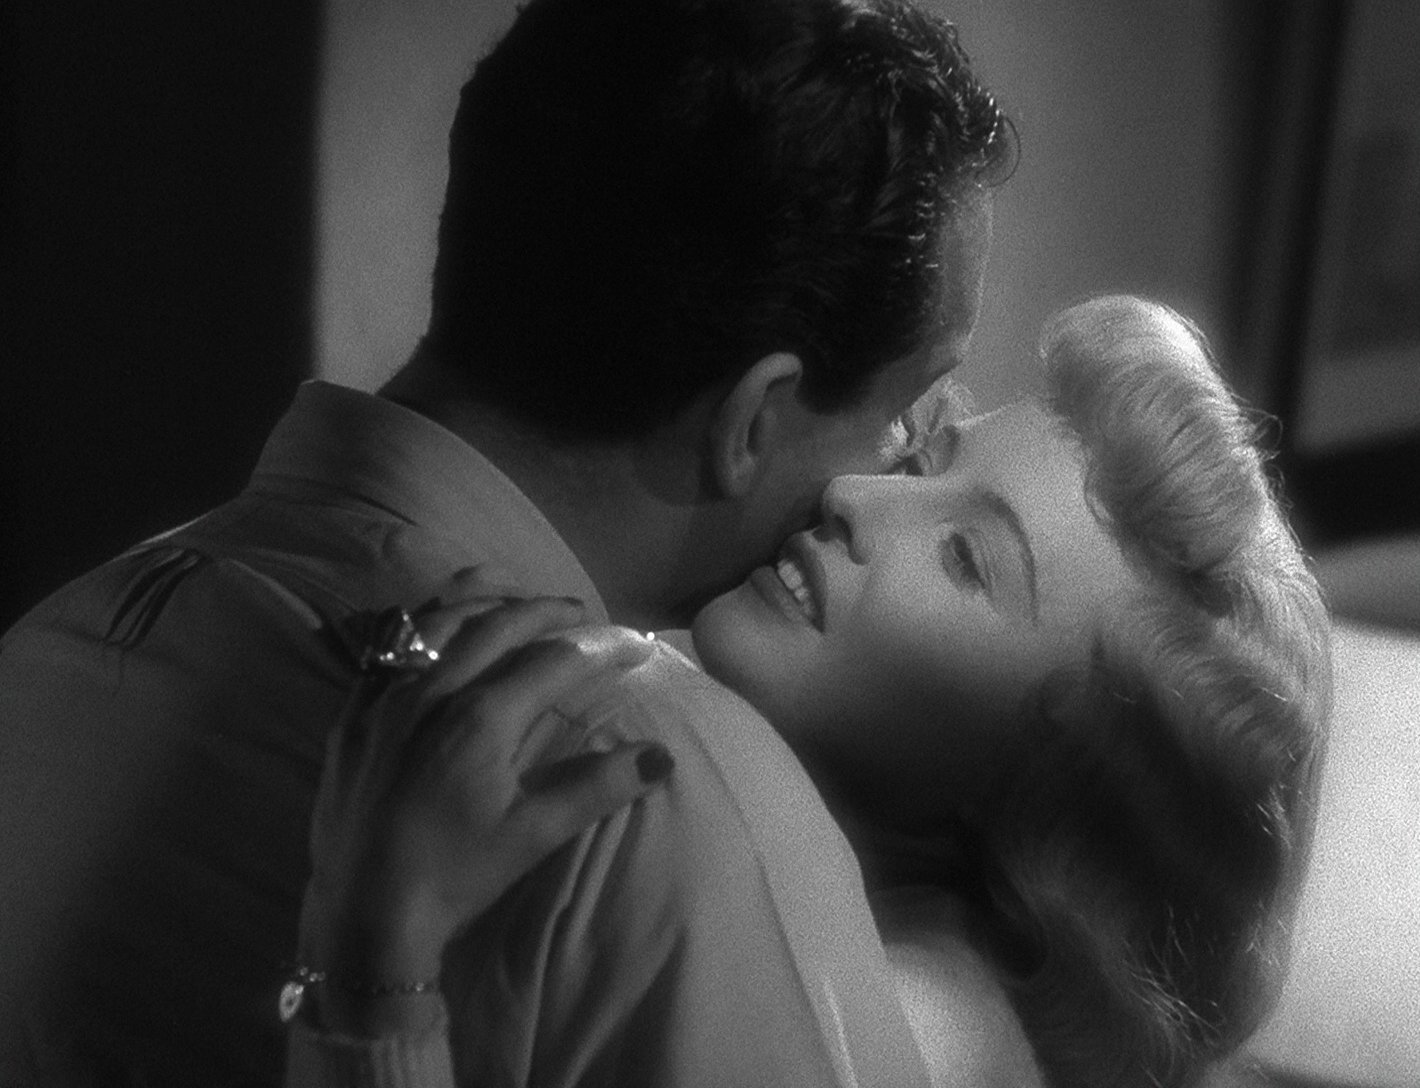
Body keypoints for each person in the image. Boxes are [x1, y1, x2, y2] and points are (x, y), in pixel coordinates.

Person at [0, 0, 1012, 1085]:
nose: (894, 466)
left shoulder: (61, 641)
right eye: (904, 404)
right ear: (753, 418)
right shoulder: (646, 787)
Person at [292, 296, 1332, 1088]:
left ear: (1057, 788)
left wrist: (376, 960)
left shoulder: (892, 1020)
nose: (855, 496)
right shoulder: (851, 924)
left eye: (965, 558)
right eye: (921, 462)